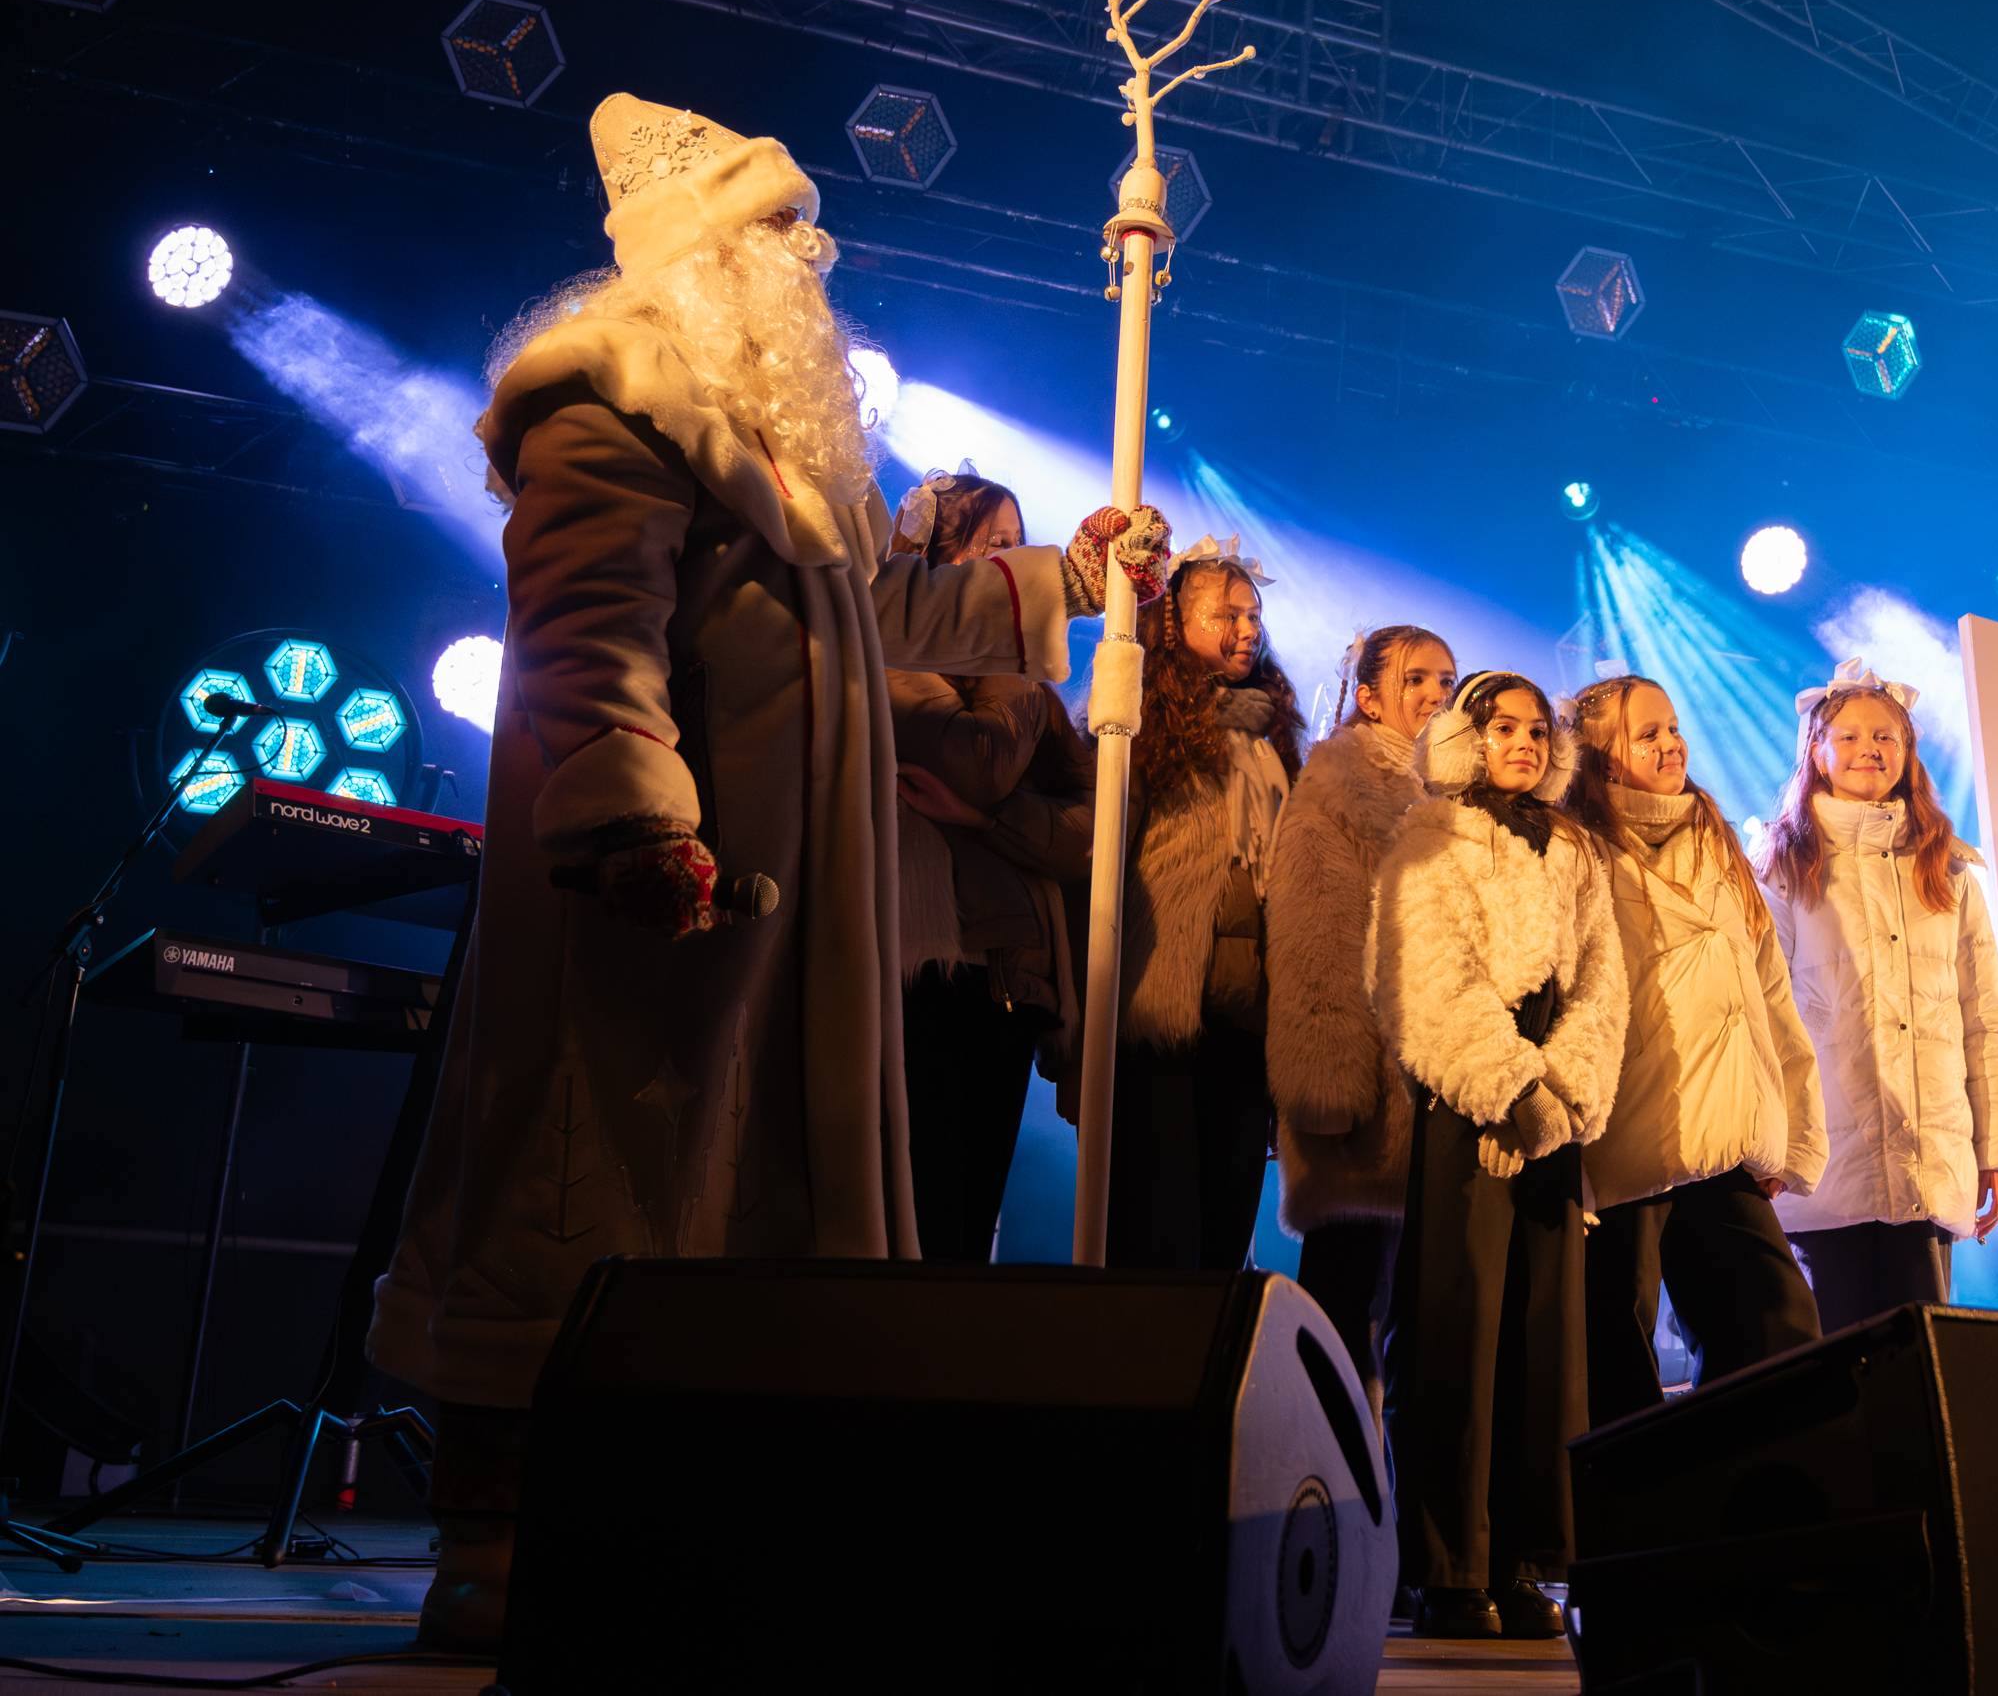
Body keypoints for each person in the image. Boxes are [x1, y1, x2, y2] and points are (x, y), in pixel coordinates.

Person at [369, 94, 1163, 1648]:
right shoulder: (606, 397)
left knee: (751, 1207)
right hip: (664, 889)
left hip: (797, 911)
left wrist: (1058, 591)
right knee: (591, 1182)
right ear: (702, 249)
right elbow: (584, 636)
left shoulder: (790, 455)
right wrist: (631, 821)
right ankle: (503, 1543)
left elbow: (880, 624)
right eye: (781, 232)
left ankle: (703, 1541)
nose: (812, 260)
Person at [1372, 671, 1624, 1642]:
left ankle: (1524, 1561)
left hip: (1554, 1114)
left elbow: (1603, 981)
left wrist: (1565, 1091)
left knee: (1542, 1337)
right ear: (1466, 739)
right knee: (1460, 1330)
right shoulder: (1430, 837)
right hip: (1474, 1107)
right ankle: (1450, 1567)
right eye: (1501, 727)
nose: (1522, 743)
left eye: (1535, 731)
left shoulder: (1575, 848)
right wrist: (1510, 1089)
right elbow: (1423, 976)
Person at [1562, 673, 1826, 1424]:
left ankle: (1738, 1487)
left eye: (1673, 728)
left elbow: (1771, 995)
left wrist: (1790, 1133)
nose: (1671, 744)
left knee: (1779, 1335)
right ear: (1600, 756)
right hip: (1621, 1147)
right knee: (1615, 1370)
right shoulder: (1576, 849)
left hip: (1721, 1138)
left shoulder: (1716, 845)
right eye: (1647, 734)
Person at [885, 470, 1113, 1265]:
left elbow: (1089, 831)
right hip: (917, 968)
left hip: (1006, 974)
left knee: (971, 1217)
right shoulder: (891, 654)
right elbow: (975, 763)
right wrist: (1015, 665)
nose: (1014, 565)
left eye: (1020, 546)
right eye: (993, 548)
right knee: (916, 1214)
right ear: (939, 559)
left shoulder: (1027, 692)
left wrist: (986, 820)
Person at [1759, 660, 1998, 1330]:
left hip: (1929, 1161)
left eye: (1885, 737)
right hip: (1822, 1168)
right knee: (1832, 1363)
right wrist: (1765, 1149)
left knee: (1918, 1359)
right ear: (1816, 752)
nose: (1869, 749)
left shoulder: (1948, 868)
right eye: (1848, 736)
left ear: (1907, 753)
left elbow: (1987, 1019)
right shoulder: (1782, 867)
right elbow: (1762, 1019)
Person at [1265, 624, 1458, 1412]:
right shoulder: (1337, 792)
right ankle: (1325, 1467)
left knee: (1420, 1320)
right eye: (1417, 679)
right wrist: (1328, 1086)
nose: (1437, 695)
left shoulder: (1451, 797)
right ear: (1370, 698)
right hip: (1367, 1098)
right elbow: (1314, 941)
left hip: (1437, 1093)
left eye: (1447, 681)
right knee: (1347, 1311)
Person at [1108, 537, 1305, 1271]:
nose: (1247, 630)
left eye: (1253, 616)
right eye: (1227, 615)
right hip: (1161, 1002)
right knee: (1158, 1233)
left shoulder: (1270, 736)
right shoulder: (1137, 719)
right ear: (1175, 624)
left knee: (1224, 1233)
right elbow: (1098, 859)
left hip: (1246, 1013)